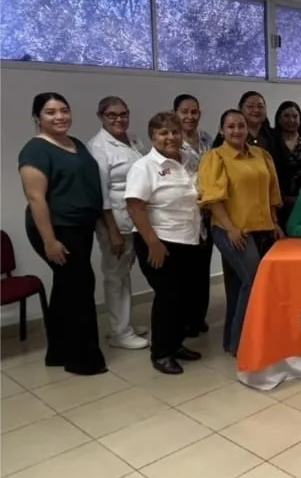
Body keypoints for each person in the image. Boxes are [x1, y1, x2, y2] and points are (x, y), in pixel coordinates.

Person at [18, 93, 107, 375]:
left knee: (66, 288)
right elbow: (36, 199)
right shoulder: (35, 150)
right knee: (80, 289)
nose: (60, 117)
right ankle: (83, 360)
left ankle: (57, 352)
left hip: (80, 227)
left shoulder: (75, 144)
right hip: (55, 229)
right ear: (37, 118)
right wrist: (50, 241)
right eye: (50, 112)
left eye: (64, 110)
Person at [199, 109, 284, 355]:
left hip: (263, 229)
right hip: (231, 230)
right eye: (231, 126)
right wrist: (231, 229)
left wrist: (275, 221)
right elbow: (214, 199)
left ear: (248, 129)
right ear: (221, 131)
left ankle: (233, 342)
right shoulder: (215, 157)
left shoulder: (262, 155)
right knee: (254, 278)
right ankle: (247, 342)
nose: (236, 131)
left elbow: (271, 194)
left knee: (238, 285)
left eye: (241, 126)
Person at [125, 112, 204, 375]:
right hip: (159, 241)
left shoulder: (188, 160)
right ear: (152, 137)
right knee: (168, 298)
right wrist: (153, 243)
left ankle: (176, 344)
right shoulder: (144, 166)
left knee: (183, 297)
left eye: (174, 131)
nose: (170, 137)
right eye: (163, 133)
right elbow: (135, 207)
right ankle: (161, 352)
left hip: (188, 239)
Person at [87, 96, 149, 350]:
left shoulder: (133, 139)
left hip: (136, 218)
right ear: (101, 116)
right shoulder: (98, 147)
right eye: (111, 115)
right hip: (115, 221)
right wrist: (112, 230)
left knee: (124, 274)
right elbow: (101, 193)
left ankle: (125, 324)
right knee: (115, 276)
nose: (119, 119)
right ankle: (119, 332)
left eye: (123, 114)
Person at [174, 93, 215, 336]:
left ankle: (198, 317)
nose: (190, 117)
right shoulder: (170, 141)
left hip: (207, 213)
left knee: (202, 269)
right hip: (182, 214)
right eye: (184, 112)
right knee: (184, 272)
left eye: (194, 112)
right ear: (175, 114)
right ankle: (183, 321)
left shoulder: (207, 139)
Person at [270, 100, 301, 230]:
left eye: (295, 116)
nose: (291, 120)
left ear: (300, 119)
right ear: (279, 119)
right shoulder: (271, 141)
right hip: (276, 203)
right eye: (286, 116)